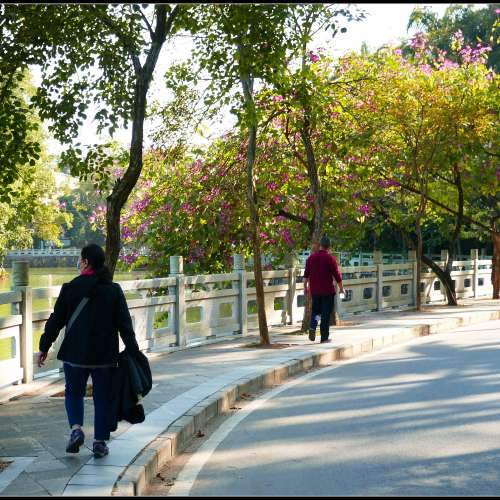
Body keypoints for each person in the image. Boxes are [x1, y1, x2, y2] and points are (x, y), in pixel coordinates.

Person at [36, 243, 140, 458]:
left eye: (80, 259)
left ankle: (76, 430)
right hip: (104, 356)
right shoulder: (113, 290)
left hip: (75, 354)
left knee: (74, 392)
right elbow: (125, 325)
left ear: (85, 262)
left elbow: (56, 320)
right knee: (102, 397)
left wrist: (44, 346)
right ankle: (99, 442)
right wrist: (133, 351)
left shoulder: (70, 287)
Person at [303, 235, 346, 343]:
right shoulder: (330, 259)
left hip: (315, 291)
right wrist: (341, 289)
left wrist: (305, 287)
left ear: (320, 245)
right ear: (329, 246)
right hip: (327, 292)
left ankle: (313, 325)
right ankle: (324, 337)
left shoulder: (311, 258)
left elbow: (306, 275)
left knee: (317, 312)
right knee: (325, 314)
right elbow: (337, 276)